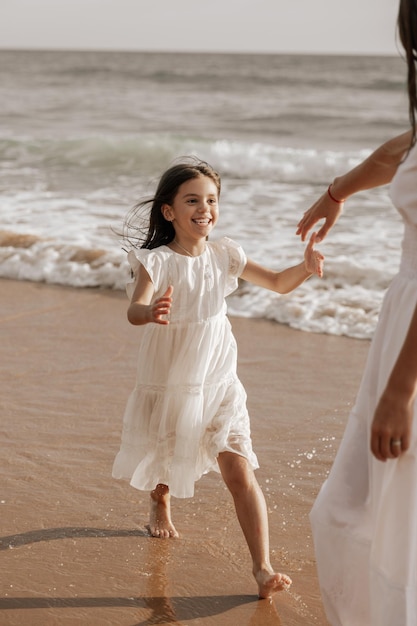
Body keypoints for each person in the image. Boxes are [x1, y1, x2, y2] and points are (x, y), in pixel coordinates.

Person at [112, 158, 324, 599]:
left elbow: (280, 283)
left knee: (238, 466)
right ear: (169, 211)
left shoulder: (226, 253)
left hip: (220, 376)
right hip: (171, 371)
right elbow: (135, 309)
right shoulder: (158, 261)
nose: (204, 207)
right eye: (192, 199)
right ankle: (160, 499)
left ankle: (262, 568)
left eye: (211, 199)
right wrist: (149, 312)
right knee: (167, 446)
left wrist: (305, 267)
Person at [296, 1, 417, 623]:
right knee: (357, 511)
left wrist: (400, 390)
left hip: (412, 352)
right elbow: (398, 151)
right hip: (401, 328)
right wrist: (335, 192)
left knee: (384, 522)